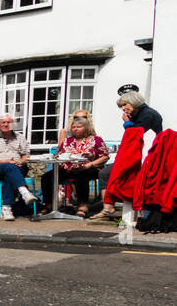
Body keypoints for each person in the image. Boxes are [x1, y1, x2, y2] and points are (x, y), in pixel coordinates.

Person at [99, 90, 163, 224]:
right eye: (121, 106)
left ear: (134, 102)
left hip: (145, 157)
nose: (123, 108)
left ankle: (111, 205)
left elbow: (135, 135)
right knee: (106, 173)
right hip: (139, 155)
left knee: (111, 174)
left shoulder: (147, 114)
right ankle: (108, 206)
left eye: (125, 104)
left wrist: (127, 122)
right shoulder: (139, 113)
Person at [43, 111, 109, 216]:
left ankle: (83, 205)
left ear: (86, 127)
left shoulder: (96, 140)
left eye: (79, 126)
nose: (75, 128)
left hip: (90, 168)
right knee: (47, 176)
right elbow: (59, 155)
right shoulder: (67, 141)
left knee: (81, 175)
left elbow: (105, 156)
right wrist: (64, 165)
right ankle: (49, 205)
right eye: (74, 127)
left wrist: (88, 165)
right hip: (69, 168)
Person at [0, 114, 37, 221]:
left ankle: (7, 207)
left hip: (17, 168)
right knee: (10, 167)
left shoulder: (20, 137)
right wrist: (5, 162)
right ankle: (24, 192)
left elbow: (26, 156)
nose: (6, 124)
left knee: (9, 174)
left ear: (13, 124)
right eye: (3, 122)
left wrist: (20, 162)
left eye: (8, 122)